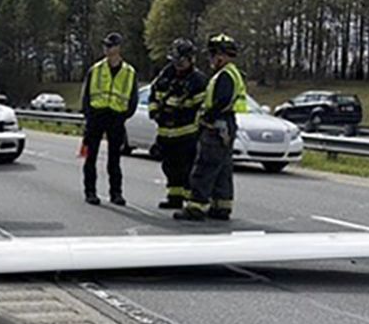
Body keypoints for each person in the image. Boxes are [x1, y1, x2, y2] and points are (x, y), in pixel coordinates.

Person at [176, 33, 247, 222]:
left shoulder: (224, 75)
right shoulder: (232, 73)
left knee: (205, 166)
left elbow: (222, 99)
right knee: (222, 167)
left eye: (212, 55)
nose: (210, 60)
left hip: (217, 125)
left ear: (220, 56)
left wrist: (208, 116)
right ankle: (221, 206)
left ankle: (195, 207)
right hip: (226, 124)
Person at [79, 32, 138, 206]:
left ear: (118, 48)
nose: (107, 49)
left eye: (110, 46)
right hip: (96, 117)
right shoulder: (96, 69)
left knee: (115, 159)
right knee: (91, 157)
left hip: (116, 118)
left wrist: (124, 115)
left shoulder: (129, 72)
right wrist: (88, 115)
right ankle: (90, 192)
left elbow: (133, 98)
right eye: (105, 46)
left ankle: (116, 193)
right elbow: (86, 95)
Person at [148, 38, 208, 210]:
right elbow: (154, 95)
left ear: (191, 59)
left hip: (186, 133)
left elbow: (198, 106)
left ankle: (191, 201)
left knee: (187, 168)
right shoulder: (165, 75)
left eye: (181, 61)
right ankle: (174, 197)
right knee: (170, 167)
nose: (177, 64)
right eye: (175, 60)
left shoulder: (197, 80)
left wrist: (179, 113)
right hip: (165, 131)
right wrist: (154, 112)